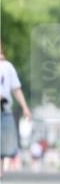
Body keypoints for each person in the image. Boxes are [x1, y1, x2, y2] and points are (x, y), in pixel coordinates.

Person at [0, 42, 31, 176]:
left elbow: (16, 89)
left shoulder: (7, 67)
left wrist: (25, 108)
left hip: (4, 109)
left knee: (3, 147)